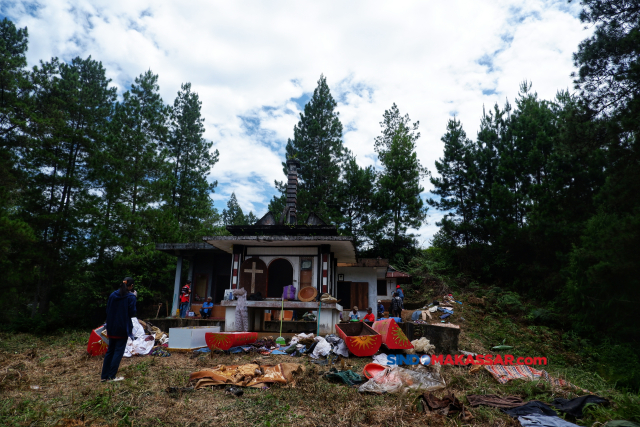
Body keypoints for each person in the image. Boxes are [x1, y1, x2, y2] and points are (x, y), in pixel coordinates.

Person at [101, 277, 137, 382]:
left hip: (111, 327)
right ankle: (111, 376)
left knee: (110, 351)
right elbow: (132, 313)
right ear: (131, 286)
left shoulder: (113, 295)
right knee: (118, 352)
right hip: (122, 327)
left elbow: (108, 310)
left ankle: (104, 376)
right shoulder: (131, 297)